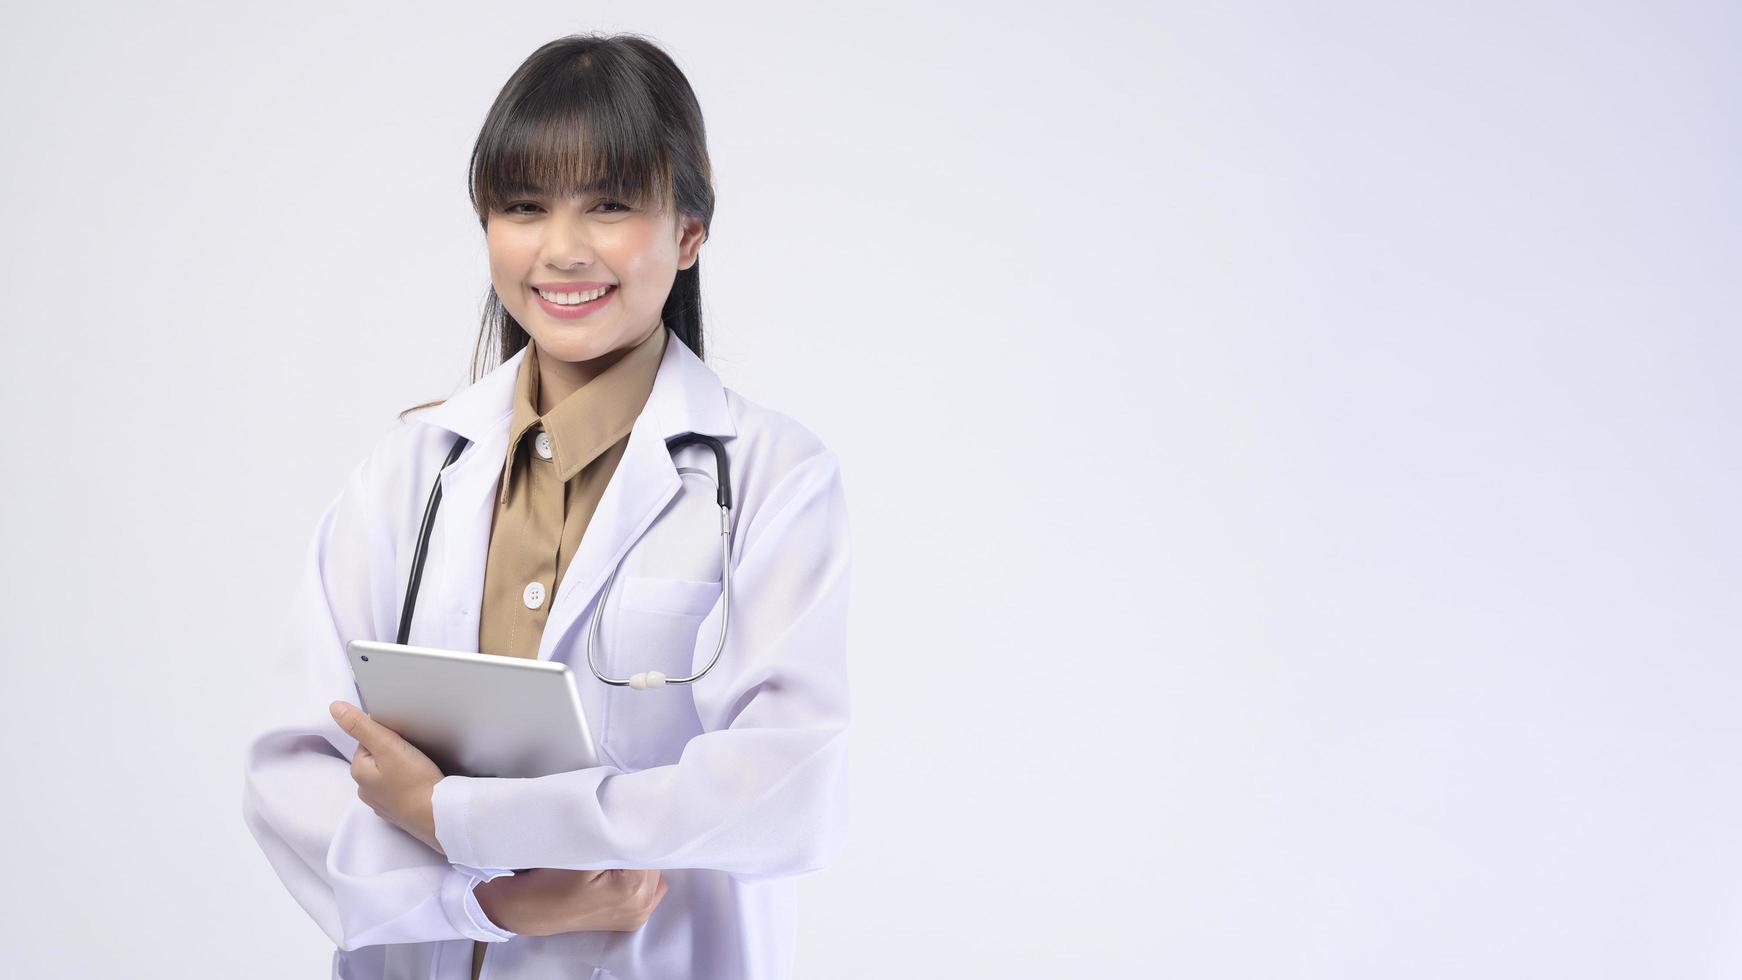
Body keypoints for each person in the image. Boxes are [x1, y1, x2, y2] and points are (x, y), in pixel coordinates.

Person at [241, 33, 852, 980]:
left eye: (608, 205)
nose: (562, 250)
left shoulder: (775, 478)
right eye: (524, 207)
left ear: (688, 232)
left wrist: (455, 816)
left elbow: (785, 791)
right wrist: (483, 899)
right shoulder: (410, 473)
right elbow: (296, 767)